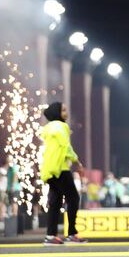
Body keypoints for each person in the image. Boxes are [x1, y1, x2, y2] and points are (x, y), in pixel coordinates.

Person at [39, 102, 87, 245]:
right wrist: (77, 163)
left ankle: (50, 235)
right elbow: (66, 147)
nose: (66, 113)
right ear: (57, 113)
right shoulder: (61, 126)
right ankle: (72, 233)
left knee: (55, 201)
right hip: (60, 168)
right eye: (64, 110)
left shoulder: (47, 128)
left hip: (48, 169)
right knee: (73, 198)